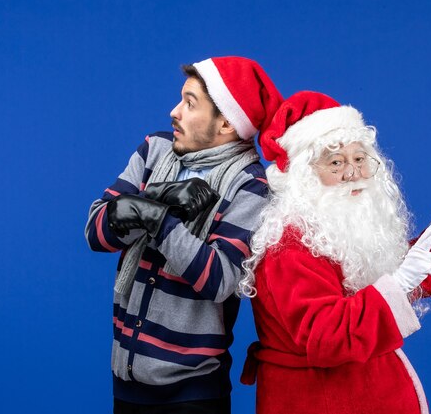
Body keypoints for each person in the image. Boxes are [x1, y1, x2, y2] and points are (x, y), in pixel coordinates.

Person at [239, 91, 431, 414]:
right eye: (336, 162)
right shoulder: (289, 244)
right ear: (303, 176)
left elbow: (406, 277)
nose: (353, 173)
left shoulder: (335, 227)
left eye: (359, 159)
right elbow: (328, 337)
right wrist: (397, 283)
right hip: (319, 401)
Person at [85, 56, 283, 414]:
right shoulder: (155, 150)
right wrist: (154, 199)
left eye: (190, 104)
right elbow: (97, 231)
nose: (174, 112)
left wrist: (158, 221)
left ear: (225, 122)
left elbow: (220, 279)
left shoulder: (250, 187)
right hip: (126, 380)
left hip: (194, 395)